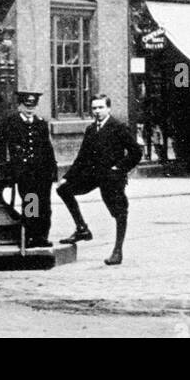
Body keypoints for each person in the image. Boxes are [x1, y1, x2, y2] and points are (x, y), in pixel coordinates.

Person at [57, 95, 143, 266]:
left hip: (111, 178)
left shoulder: (118, 127)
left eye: (101, 108)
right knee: (63, 189)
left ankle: (117, 251)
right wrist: (67, 177)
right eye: (94, 108)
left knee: (119, 211)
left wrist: (118, 168)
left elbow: (136, 152)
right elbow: (81, 157)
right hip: (93, 175)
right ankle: (82, 229)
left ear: (108, 109)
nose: (97, 111)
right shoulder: (91, 129)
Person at [1, 90, 57, 249]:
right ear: (20, 105)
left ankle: (42, 237)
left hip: (42, 172)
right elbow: (2, 145)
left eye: (33, 106)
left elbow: (48, 148)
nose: (30, 109)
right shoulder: (12, 123)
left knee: (45, 205)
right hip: (26, 173)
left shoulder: (40, 123)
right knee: (31, 203)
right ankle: (31, 236)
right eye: (26, 105)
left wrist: (52, 171)